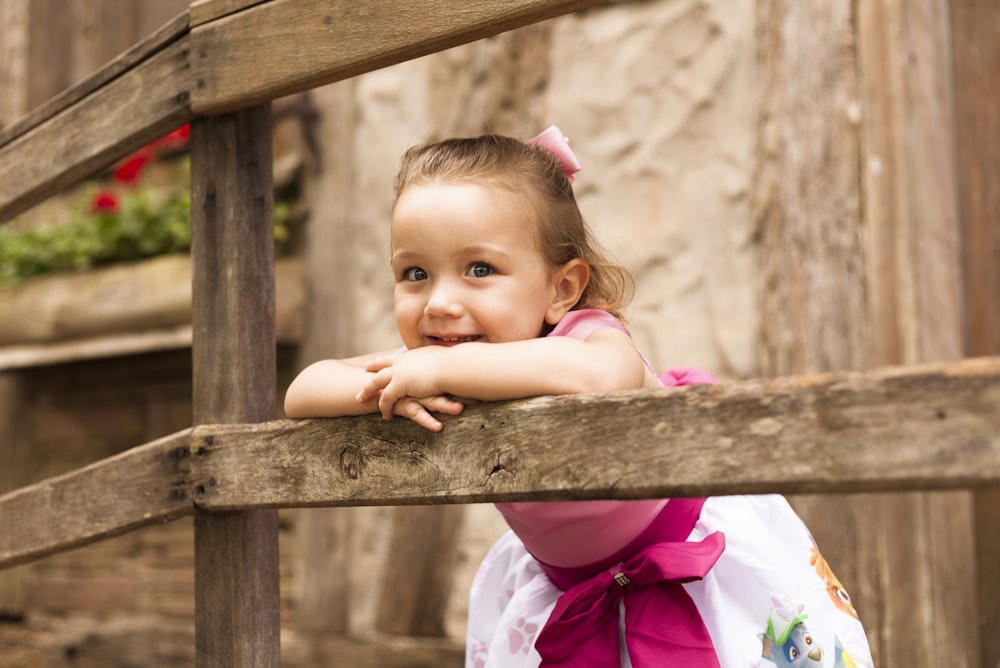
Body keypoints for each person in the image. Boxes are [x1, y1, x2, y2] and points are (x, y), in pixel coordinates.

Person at [284, 127, 874, 668]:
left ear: (562, 288)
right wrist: (389, 388)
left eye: (479, 268)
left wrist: (446, 365)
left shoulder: (587, 336)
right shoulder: (432, 360)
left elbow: (603, 377)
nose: (438, 301)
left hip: (695, 554)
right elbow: (303, 389)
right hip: (568, 584)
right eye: (415, 274)